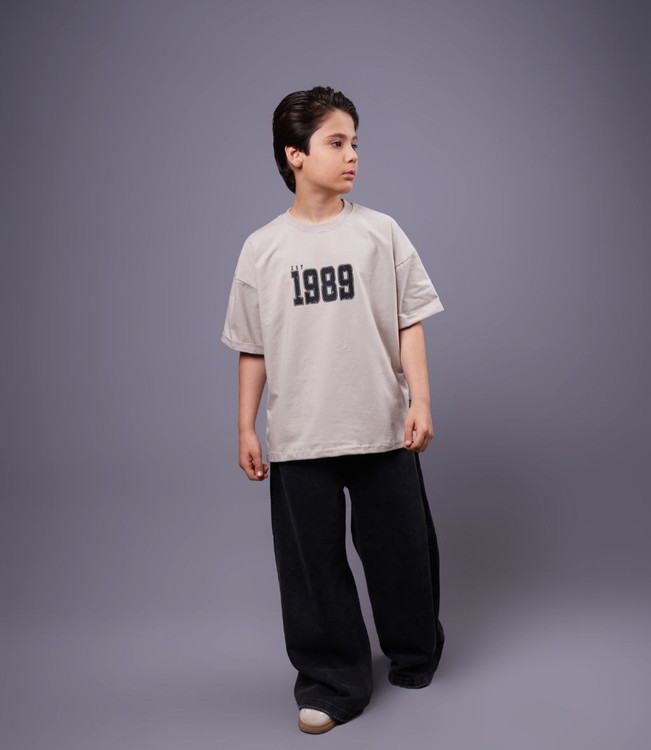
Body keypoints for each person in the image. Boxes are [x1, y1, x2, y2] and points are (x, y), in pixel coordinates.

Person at [221, 85, 446, 735]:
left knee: (402, 552)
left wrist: (421, 400)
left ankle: (414, 651)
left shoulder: (380, 232)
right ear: (294, 154)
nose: (353, 155)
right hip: (300, 436)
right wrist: (245, 426)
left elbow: (408, 321)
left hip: (380, 425)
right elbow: (253, 346)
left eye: (355, 142)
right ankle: (332, 680)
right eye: (336, 142)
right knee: (311, 569)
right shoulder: (262, 248)